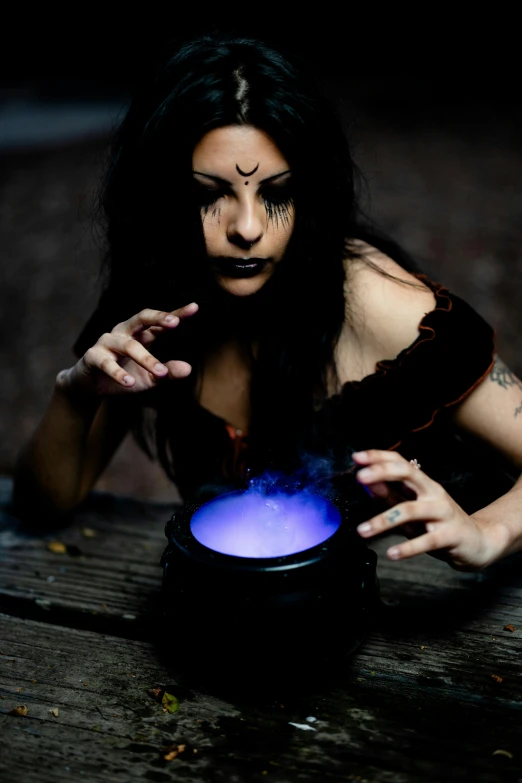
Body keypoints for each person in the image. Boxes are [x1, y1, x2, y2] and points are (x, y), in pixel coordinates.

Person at [12, 32, 522, 573]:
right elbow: (44, 506)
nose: (248, 228)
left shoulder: (386, 310)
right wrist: (75, 394)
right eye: (209, 195)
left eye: (276, 193)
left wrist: (487, 533)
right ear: (160, 199)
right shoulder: (157, 308)